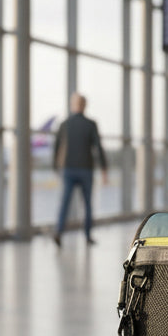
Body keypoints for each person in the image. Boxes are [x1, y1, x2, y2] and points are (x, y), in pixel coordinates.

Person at [52, 92, 107, 247]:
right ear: (85, 105)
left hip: (67, 169)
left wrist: (55, 166)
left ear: (72, 105)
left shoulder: (64, 124)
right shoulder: (91, 124)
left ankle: (58, 232)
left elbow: (56, 148)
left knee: (64, 202)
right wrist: (104, 168)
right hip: (85, 169)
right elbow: (98, 147)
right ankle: (88, 236)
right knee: (88, 204)